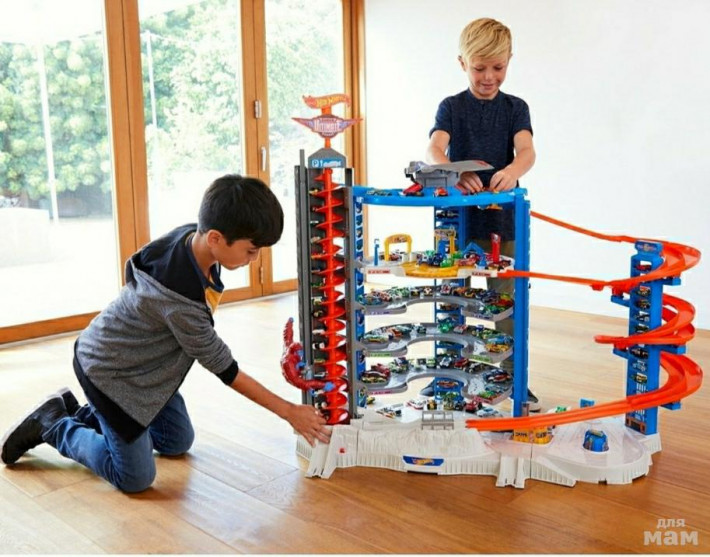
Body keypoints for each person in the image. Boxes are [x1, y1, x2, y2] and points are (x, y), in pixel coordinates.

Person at [1, 174, 331, 492]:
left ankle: (85, 414)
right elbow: (225, 368)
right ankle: (54, 423)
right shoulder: (179, 302)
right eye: (251, 250)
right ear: (215, 238)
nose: (255, 258)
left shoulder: (191, 237)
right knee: (134, 478)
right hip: (107, 371)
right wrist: (289, 412)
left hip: (146, 369)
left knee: (176, 441)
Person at [425, 17, 539, 410]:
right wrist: (456, 172)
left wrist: (512, 171)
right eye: (479, 68)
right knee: (451, 302)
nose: (489, 77)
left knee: (504, 305)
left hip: (501, 226)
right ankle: (447, 375)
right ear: (462, 63)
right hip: (456, 226)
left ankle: (513, 377)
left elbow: (527, 151)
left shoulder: (516, 108)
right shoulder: (451, 107)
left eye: (498, 67)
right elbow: (434, 150)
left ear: (509, 61)